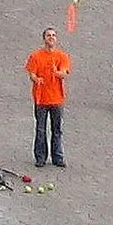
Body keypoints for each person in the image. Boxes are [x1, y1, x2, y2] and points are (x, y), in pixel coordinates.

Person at [25, 27, 71, 169]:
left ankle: (58, 157)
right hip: (41, 99)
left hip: (57, 99)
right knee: (40, 129)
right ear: (44, 38)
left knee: (57, 129)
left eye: (53, 35)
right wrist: (36, 79)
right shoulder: (35, 56)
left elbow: (64, 73)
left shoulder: (62, 56)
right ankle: (40, 157)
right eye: (48, 35)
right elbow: (31, 73)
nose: (51, 37)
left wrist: (56, 72)